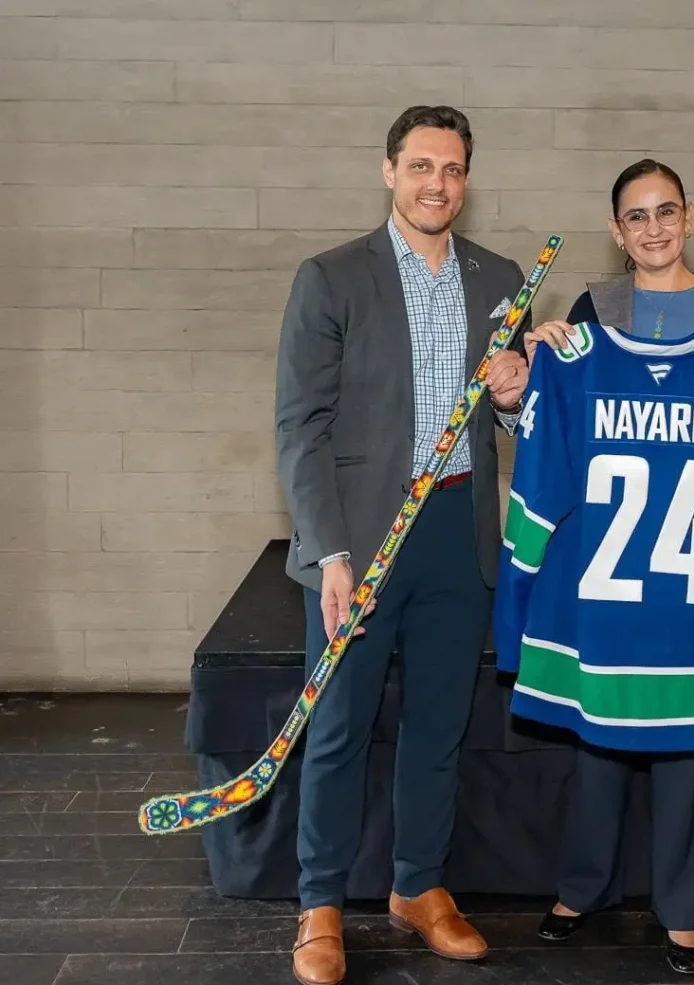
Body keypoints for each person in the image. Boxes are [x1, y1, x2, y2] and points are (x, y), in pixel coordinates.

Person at [515, 159, 694, 977]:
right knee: (598, 735)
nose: (652, 228)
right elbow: (547, 421)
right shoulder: (590, 309)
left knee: (693, 741)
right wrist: (540, 364)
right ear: (616, 231)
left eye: (665, 212)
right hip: (608, 569)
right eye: (635, 217)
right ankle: (584, 887)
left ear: (688, 217)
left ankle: (683, 910)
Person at [274, 104, 531, 985]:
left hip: (459, 534)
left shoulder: (501, 279)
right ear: (390, 171)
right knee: (339, 727)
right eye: (422, 166)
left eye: (453, 169)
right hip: (360, 545)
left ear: (468, 179)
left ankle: (418, 887)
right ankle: (319, 903)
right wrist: (329, 551)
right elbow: (300, 429)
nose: (438, 184)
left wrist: (512, 395)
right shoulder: (332, 277)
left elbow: (528, 424)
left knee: (438, 726)